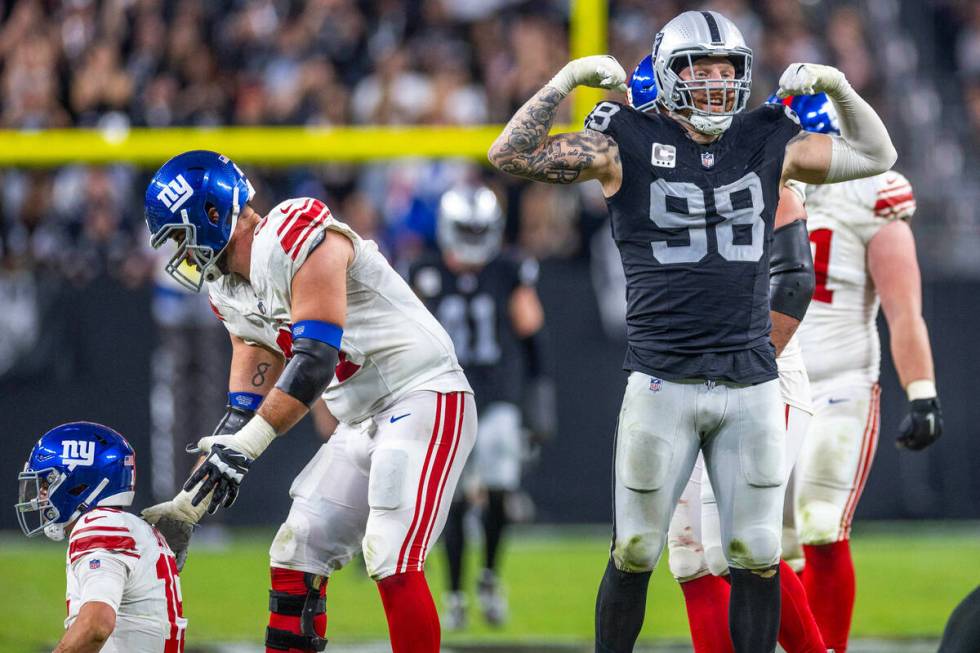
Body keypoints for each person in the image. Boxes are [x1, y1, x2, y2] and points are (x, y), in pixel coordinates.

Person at [488, 9, 897, 652]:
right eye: (698, 70)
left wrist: (840, 89)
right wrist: (565, 80)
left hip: (750, 382)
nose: (714, 84)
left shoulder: (767, 135)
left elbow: (879, 153)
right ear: (668, 73)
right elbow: (509, 153)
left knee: (757, 552)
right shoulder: (623, 136)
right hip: (662, 379)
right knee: (636, 549)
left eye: (726, 70)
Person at [140, 150, 476, 653]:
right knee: (297, 548)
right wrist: (188, 505)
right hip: (361, 419)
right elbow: (245, 402)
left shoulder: (293, 230)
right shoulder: (228, 289)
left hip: (423, 393)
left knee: (390, 555)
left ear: (213, 215)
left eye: (181, 235)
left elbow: (315, 359)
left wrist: (246, 448)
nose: (181, 254)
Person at [628, 57, 824, 652]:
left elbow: (794, 280)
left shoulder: (745, 159)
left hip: (757, 369)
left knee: (737, 542)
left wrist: (744, 365)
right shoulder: (646, 171)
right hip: (685, 370)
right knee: (688, 555)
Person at [779, 92, 943, 653]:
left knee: (821, 523)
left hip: (840, 381)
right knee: (767, 545)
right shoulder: (761, 190)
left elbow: (903, 309)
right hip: (771, 383)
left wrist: (921, 392)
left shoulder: (872, 193)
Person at [408, 182, 555, 629]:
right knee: (450, 500)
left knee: (498, 491)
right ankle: (454, 593)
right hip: (447, 400)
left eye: (479, 229)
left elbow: (532, 335)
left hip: (496, 399)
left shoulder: (508, 270)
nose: (472, 239)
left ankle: (488, 576)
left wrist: (538, 401)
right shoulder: (423, 270)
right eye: (465, 229)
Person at [15, 421, 187, 653]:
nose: (40, 495)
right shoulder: (126, 526)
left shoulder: (99, 526)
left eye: (47, 483)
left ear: (77, 484)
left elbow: (96, 625)